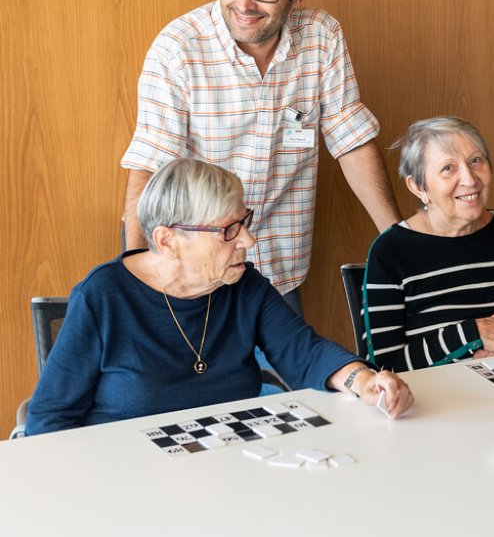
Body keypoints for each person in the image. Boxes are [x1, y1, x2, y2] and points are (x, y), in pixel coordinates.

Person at [120, 0, 400, 317]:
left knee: (292, 379)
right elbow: (150, 166)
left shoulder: (321, 38)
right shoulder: (179, 49)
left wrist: (399, 243)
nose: (244, 4)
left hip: (278, 270)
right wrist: (135, 277)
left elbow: (351, 141)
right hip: (195, 272)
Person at [26, 159, 413, 434]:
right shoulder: (102, 297)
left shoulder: (243, 286)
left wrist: (364, 380)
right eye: (228, 230)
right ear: (168, 240)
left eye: (243, 223)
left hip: (230, 462)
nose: (248, 239)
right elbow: (50, 419)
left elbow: (306, 352)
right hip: (129, 480)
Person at [362, 117, 494, 372]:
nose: (470, 179)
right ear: (418, 187)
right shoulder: (390, 251)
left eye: (475, 161)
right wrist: (473, 334)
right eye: (448, 168)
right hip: (438, 401)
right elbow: (383, 366)